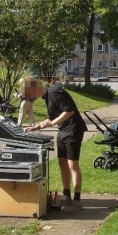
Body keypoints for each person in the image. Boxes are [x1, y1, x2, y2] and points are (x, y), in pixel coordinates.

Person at [21, 77, 88, 210]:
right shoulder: (47, 96)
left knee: (72, 164)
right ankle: (66, 196)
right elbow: (53, 117)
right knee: (62, 162)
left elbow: (69, 111)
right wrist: (37, 127)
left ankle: (77, 199)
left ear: (34, 88)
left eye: (29, 94)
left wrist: (52, 123)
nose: (29, 98)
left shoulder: (54, 92)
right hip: (63, 130)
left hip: (73, 130)